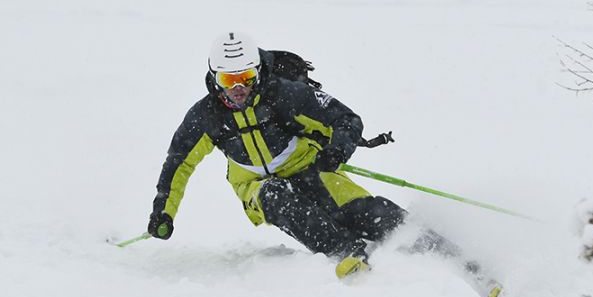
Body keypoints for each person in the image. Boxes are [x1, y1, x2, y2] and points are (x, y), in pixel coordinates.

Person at [146, 32, 407, 278]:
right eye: (228, 80)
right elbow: (179, 162)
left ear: (258, 72)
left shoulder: (285, 95)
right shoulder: (205, 116)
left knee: (365, 211)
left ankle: (427, 241)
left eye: (246, 77)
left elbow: (346, 120)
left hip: (310, 167)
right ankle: (346, 252)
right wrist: (163, 212)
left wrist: (337, 151)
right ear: (214, 78)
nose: (238, 88)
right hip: (254, 185)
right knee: (276, 196)